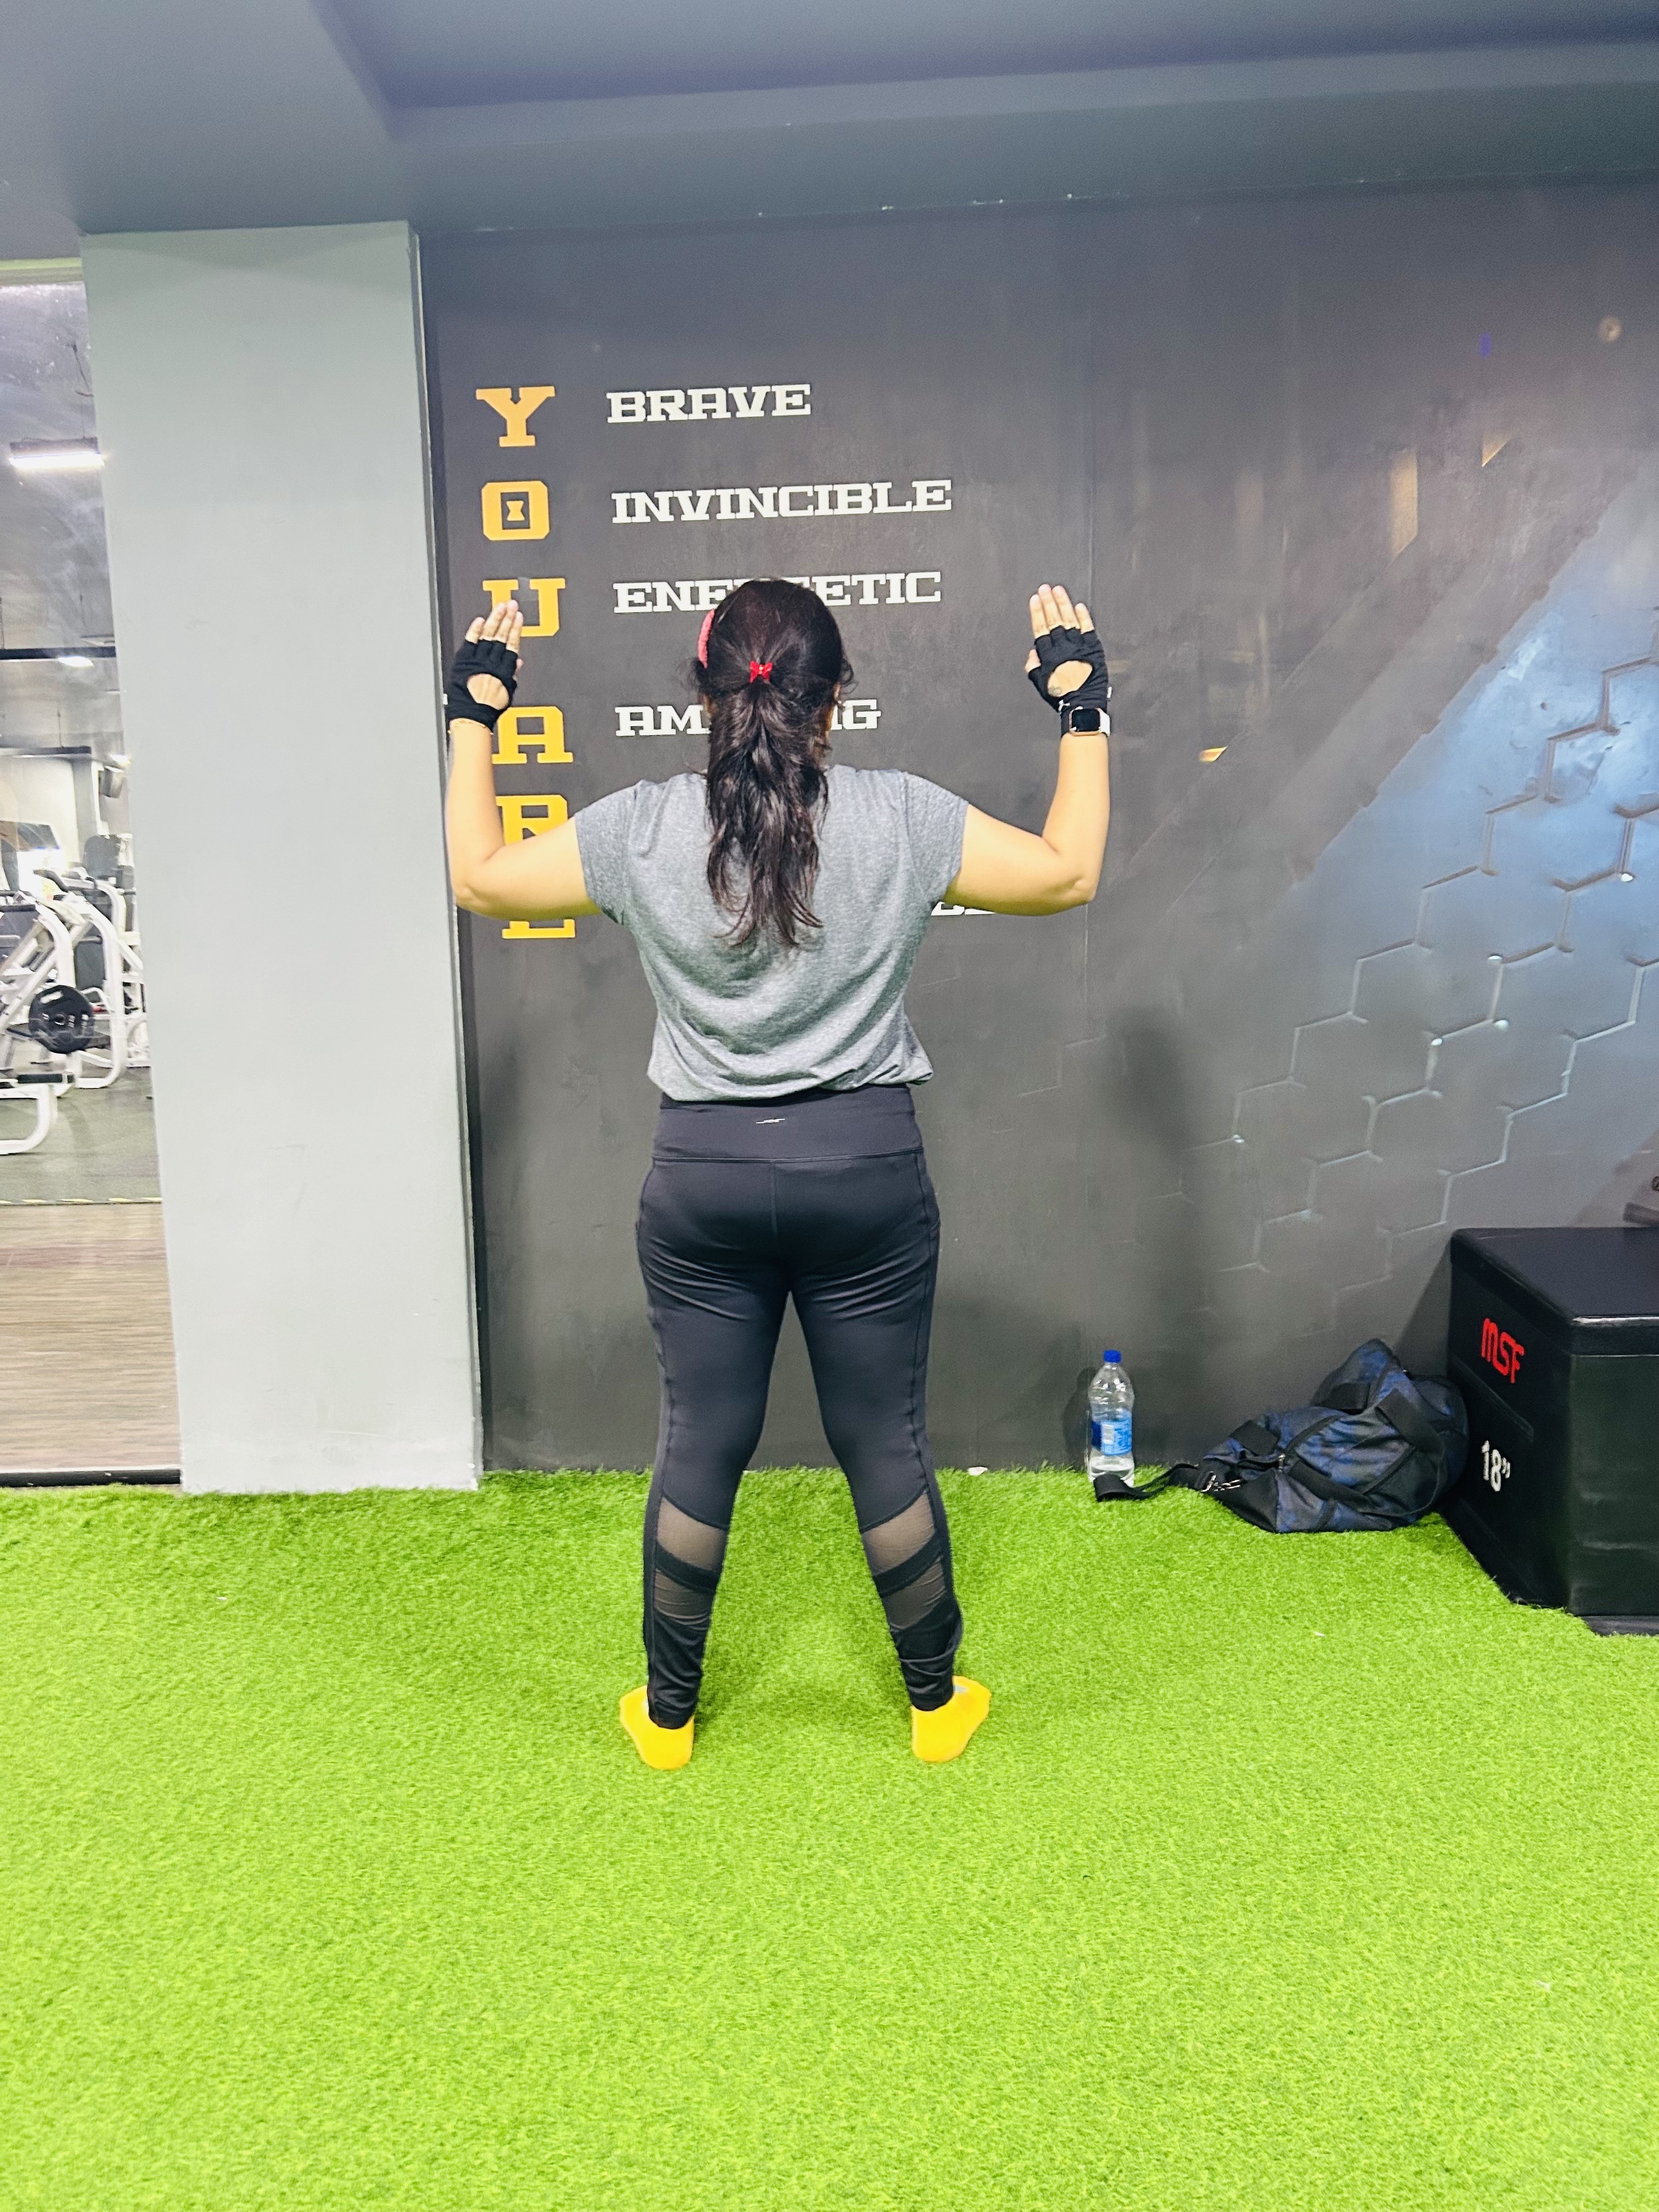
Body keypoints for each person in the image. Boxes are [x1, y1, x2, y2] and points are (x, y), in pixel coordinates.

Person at [445, 578, 1112, 1768]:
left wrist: (473, 717)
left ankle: (666, 1718)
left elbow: (480, 879)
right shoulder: (901, 816)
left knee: (701, 1438)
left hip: (703, 1178)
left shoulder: (640, 829)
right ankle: (934, 1706)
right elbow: (1068, 873)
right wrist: (1081, 706)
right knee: (883, 1440)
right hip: (863, 1171)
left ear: (704, 696)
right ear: (836, 699)